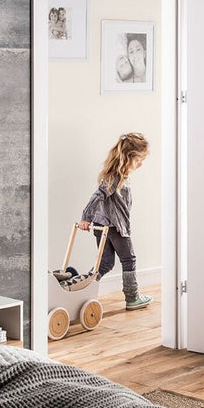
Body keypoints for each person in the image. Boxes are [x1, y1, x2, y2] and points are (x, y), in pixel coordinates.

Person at [79, 132, 153, 310]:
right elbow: (98, 195)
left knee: (105, 263)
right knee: (129, 259)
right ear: (129, 157)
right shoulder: (116, 177)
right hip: (115, 227)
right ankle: (132, 297)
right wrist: (85, 217)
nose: (141, 164)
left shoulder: (114, 175)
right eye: (139, 159)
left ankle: (81, 290)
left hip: (101, 225)